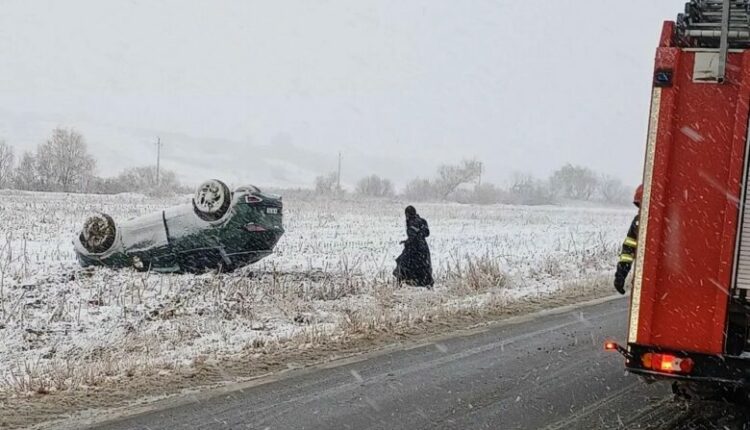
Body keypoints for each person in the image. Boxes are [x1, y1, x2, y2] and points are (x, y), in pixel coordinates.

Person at [394, 206, 434, 288]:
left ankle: (400, 284)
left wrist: (407, 242)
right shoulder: (422, 221)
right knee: (423, 266)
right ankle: (428, 284)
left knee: (402, 264)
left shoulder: (411, 222)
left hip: (413, 249)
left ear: (407, 214)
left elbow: (413, 237)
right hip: (423, 248)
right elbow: (426, 233)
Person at [614, 184, 643, 294]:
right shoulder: (637, 222)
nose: (641, 208)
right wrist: (620, 274)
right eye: (639, 205)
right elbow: (628, 249)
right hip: (643, 277)